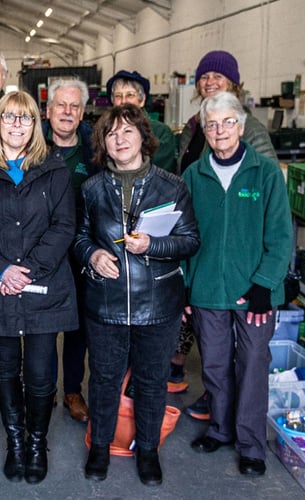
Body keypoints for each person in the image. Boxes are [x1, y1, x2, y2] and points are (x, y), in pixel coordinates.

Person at [0, 91, 78, 484]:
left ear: (35, 124)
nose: (16, 125)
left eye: (24, 119)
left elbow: (63, 226)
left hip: (44, 288)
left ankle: (37, 442)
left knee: (42, 373)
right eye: (9, 117)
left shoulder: (54, 168)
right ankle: (15, 442)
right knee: (6, 368)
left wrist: (27, 270)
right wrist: (1, 268)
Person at [74, 104, 199, 486]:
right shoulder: (91, 189)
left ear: (144, 138)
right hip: (106, 303)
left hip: (157, 305)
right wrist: (93, 254)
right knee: (105, 379)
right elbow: (78, 239)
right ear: (103, 146)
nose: (119, 139)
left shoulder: (172, 185)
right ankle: (99, 447)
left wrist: (154, 246)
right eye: (111, 134)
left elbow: (190, 240)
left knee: (151, 380)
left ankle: (148, 450)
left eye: (127, 131)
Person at [184, 91, 292, 477]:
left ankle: (251, 445)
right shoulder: (193, 176)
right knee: (213, 365)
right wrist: (185, 283)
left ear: (241, 126)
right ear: (205, 130)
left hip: (256, 295)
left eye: (227, 122)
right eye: (211, 124)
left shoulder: (265, 173)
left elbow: (281, 236)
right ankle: (220, 428)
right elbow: (182, 236)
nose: (219, 130)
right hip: (208, 289)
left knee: (251, 366)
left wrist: (265, 285)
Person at [176, 50, 278, 417]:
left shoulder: (253, 137)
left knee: (248, 355)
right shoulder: (193, 125)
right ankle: (220, 412)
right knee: (214, 352)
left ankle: (243, 426)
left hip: (244, 258)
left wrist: (266, 279)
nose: (209, 81)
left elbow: (271, 208)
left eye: (218, 76)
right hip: (204, 258)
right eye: (203, 76)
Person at [43, 78, 98, 423]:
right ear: (47, 111)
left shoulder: (95, 149)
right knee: (44, 325)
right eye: (60, 105)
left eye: (74, 106)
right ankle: (44, 386)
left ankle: (73, 389)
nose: (67, 112)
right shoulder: (31, 146)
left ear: (81, 112)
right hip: (44, 252)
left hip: (82, 251)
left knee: (78, 326)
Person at [106, 70, 177, 173]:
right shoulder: (106, 131)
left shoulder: (161, 133)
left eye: (130, 95)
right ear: (113, 102)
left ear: (142, 100)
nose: (123, 101)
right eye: (118, 96)